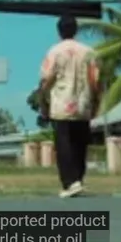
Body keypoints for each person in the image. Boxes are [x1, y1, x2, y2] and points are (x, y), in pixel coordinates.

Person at [37, 15, 100, 198]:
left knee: (64, 145)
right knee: (80, 145)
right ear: (76, 30)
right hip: (83, 104)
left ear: (59, 31)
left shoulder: (54, 52)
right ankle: (78, 179)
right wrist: (96, 101)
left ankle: (69, 182)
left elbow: (47, 79)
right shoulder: (88, 52)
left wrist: (42, 100)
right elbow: (95, 80)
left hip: (61, 105)